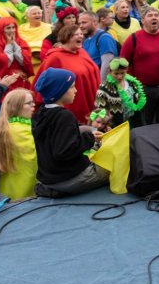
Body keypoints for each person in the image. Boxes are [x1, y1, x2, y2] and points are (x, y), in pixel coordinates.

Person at [31, 68, 109, 197]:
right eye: (72, 87)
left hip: (48, 178)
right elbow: (64, 151)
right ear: (59, 91)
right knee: (111, 167)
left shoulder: (40, 113)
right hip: (68, 178)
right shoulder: (64, 116)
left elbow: (56, 140)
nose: (76, 90)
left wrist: (84, 134)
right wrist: (89, 138)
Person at [120, 8, 159, 124]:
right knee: (145, 124)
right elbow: (123, 63)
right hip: (144, 90)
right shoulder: (133, 38)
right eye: (150, 15)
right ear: (142, 20)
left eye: (156, 15)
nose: (154, 17)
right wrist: (132, 85)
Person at [36, 24, 100, 124]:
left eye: (81, 34)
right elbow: (43, 82)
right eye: (76, 34)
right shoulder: (55, 57)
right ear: (66, 36)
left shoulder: (82, 52)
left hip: (91, 100)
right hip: (72, 106)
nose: (81, 36)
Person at [0, 89, 38, 200]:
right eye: (29, 103)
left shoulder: (6, 127)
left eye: (33, 102)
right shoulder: (23, 130)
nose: (33, 105)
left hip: (8, 191)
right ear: (15, 107)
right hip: (26, 194)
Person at [93, 57, 147, 128]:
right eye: (116, 73)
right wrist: (106, 122)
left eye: (122, 73)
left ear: (126, 70)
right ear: (110, 72)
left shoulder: (132, 83)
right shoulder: (104, 88)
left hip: (133, 121)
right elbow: (99, 109)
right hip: (116, 124)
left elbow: (138, 100)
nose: (119, 76)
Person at [0, 17, 34, 92]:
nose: (12, 30)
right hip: (6, 84)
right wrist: (9, 45)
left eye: (13, 27)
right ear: (1, 30)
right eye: (8, 28)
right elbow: (0, 65)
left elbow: (25, 61)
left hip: (21, 82)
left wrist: (14, 44)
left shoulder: (21, 42)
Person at [79, 11, 118, 82]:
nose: (81, 26)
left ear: (94, 22)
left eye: (84, 22)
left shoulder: (104, 38)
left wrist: (101, 85)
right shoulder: (86, 39)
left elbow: (107, 65)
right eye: (79, 23)